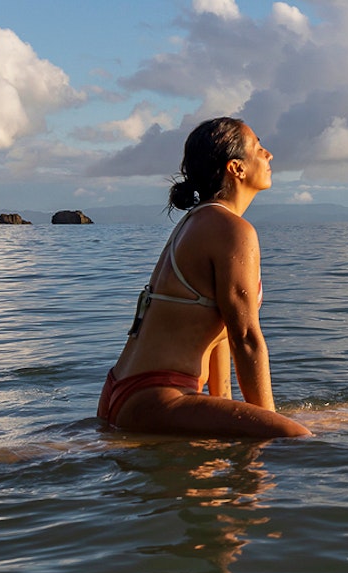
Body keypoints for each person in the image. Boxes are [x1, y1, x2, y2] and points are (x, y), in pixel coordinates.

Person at [99, 117, 310, 437]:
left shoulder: (195, 222)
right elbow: (246, 338)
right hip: (158, 396)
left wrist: (230, 409)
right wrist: (268, 427)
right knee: (296, 437)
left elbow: (220, 335)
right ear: (236, 168)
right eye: (259, 148)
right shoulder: (232, 230)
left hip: (123, 391)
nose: (269, 155)